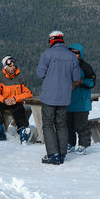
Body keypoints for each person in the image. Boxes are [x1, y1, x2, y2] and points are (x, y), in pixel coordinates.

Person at [36, 30, 80, 165]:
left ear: (51, 40)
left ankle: (53, 154)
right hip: (65, 97)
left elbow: (40, 73)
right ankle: (62, 153)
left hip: (49, 96)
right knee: (62, 124)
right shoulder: (72, 56)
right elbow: (76, 77)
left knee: (48, 124)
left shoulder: (47, 54)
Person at [0, 56, 33, 143]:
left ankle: (23, 131)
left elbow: (29, 93)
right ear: (5, 67)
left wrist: (15, 98)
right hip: (3, 101)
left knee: (19, 109)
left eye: (13, 65)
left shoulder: (20, 78)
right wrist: (4, 99)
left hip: (15, 101)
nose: (13, 68)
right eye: (10, 66)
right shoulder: (0, 77)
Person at [67, 43, 96, 155]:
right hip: (68, 101)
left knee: (81, 125)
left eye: (76, 52)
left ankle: (84, 144)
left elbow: (92, 82)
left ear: (80, 54)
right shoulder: (66, 65)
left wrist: (81, 82)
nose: (74, 54)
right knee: (68, 125)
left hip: (81, 102)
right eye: (72, 52)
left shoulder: (85, 67)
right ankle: (70, 143)